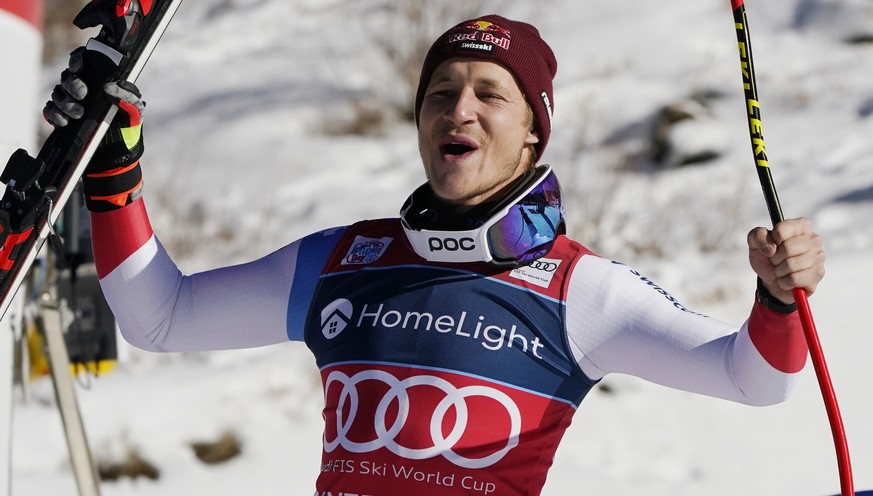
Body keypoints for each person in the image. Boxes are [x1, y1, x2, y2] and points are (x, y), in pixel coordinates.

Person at [45, 14, 825, 496]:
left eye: (491, 93)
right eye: (440, 91)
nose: (460, 108)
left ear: (532, 132)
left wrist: (780, 299)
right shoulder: (343, 260)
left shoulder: (579, 291)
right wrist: (115, 180)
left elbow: (749, 381)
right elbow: (162, 317)